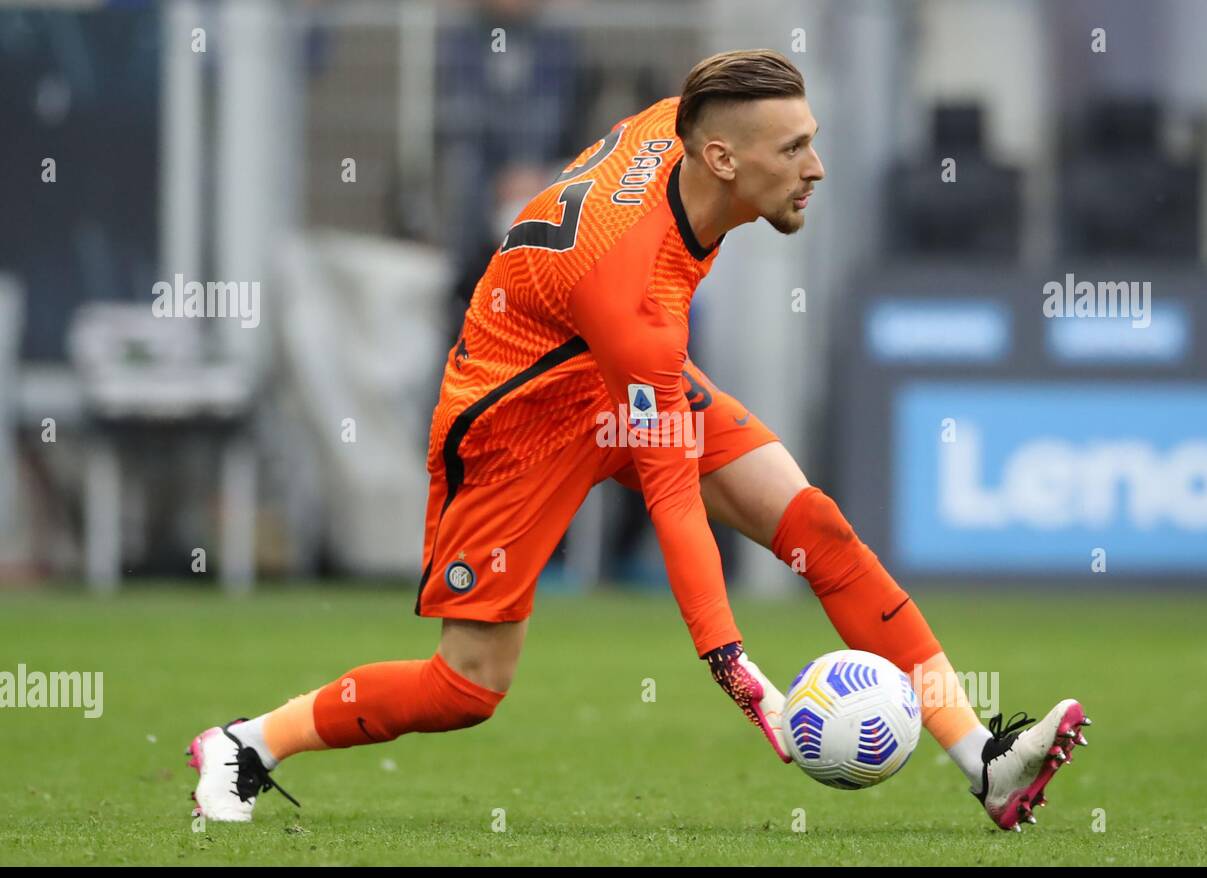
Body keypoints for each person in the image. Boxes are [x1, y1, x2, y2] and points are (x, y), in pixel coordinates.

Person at [188, 50, 1088, 832]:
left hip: (603, 366)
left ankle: (982, 760)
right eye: (795, 149)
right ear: (723, 156)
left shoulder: (687, 129)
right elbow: (671, 499)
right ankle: (244, 744)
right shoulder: (637, 298)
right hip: (515, 420)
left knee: (819, 530)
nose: (816, 166)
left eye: (811, 138)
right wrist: (734, 666)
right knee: (467, 687)